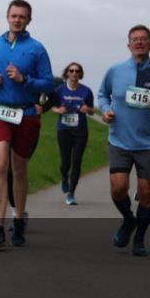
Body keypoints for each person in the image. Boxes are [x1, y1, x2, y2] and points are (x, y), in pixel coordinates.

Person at [0, 0, 54, 248]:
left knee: (19, 169)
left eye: (22, 16)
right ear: (7, 17)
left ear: (29, 20)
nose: (17, 19)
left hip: (26, 114)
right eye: (13, 15)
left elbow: (48, 83)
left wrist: (24, 79)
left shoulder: (37, 48)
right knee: (0, 165)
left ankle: (18, 219)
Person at [98, 25, 150, 257]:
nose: (139, 43)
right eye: (135, 39)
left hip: (148, 142)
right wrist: (105, 110)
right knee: (118, 188)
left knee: (146, 193)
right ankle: (128, 220)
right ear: (129, 45)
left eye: (144, 39)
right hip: (119, 139)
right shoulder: (115, 71)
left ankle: (140, 239)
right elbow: (102, 94)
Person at [49, 62, 94, 206]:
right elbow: (51, 107)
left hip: (81, 130)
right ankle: (64, 177)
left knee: (77, 162)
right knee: (65, 163)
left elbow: (92, 110)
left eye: (77, 71)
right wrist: (58, 111)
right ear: (67, 73)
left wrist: (88, 109)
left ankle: (71, 193)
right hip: (64, 130)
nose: (74, 73)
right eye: (71, 70)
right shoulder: (60, 90)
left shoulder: (86, 91)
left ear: (80, 74)